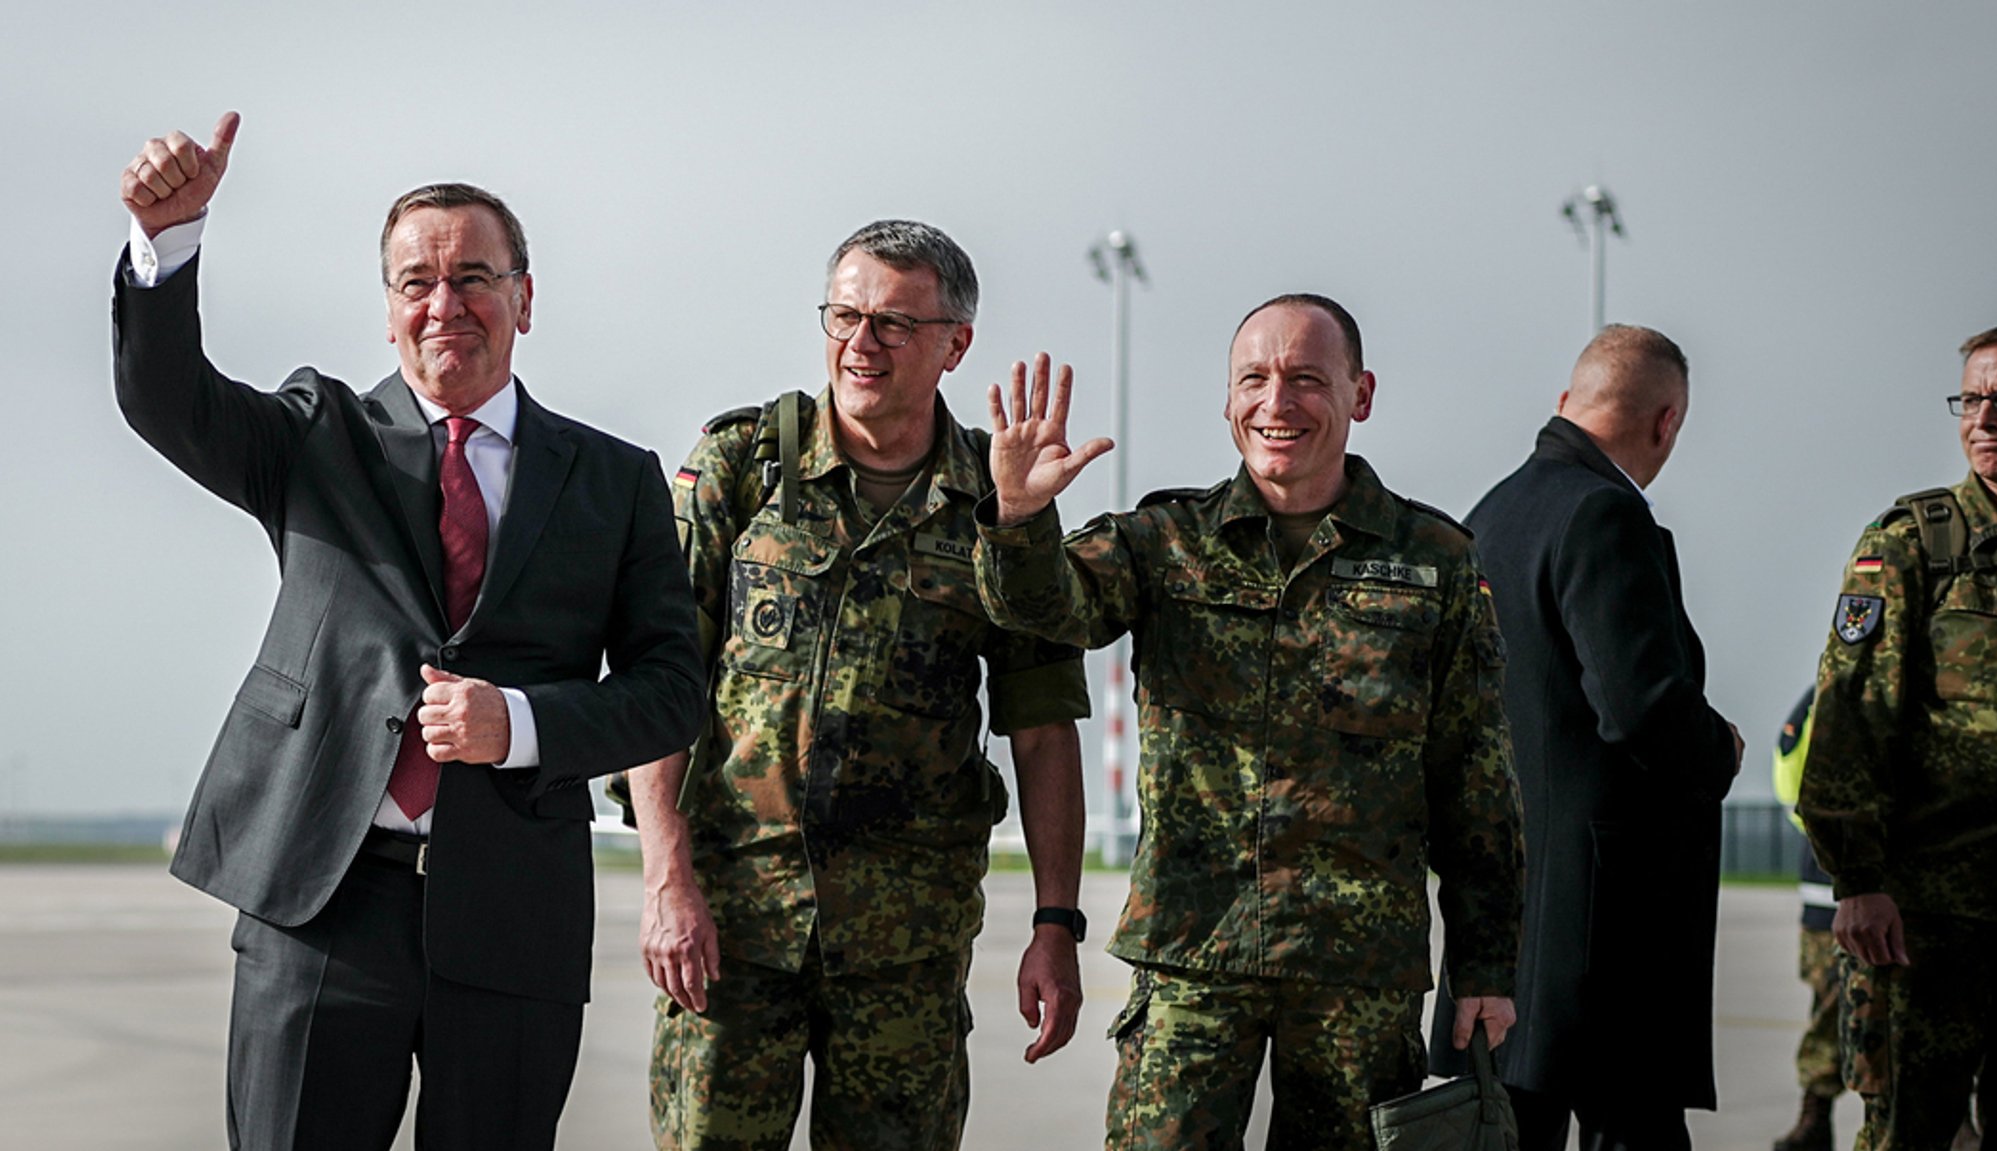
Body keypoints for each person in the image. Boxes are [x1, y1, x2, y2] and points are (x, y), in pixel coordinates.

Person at [112, 113, 706, 1149]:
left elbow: (670, 688)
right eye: (415, 284)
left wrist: (517, 722)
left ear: (525, 297)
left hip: (514, 910)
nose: (446, 305)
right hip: (324, 897)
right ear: (387, 313)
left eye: (474, 276)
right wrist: (168, 246)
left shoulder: (614, 479)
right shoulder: (313, 434)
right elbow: (169, 399)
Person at [974, 294, 1524, 1151]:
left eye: (1308, 379)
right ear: (1228, 400)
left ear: (1361, 393)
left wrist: (1487, 965)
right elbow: (1050, 611)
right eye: (1255, 379)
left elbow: (1475, 776)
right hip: (1194, 955)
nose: (1278, 403)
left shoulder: (1435, 562)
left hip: (1357, 971)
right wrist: (1018, 519)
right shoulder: (1164, 540)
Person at [625, 220, 1092, 1151]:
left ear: (956, 343)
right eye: (844, 316)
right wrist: (665, 878)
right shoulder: (743, 466)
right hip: (733, 929)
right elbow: (657, 681)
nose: (860, 345)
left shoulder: (1001, 502)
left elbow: (1041, 729)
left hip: (905, 950)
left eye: (893, 323)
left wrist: (1056, 922)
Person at [1428, 324, 1741, 1150]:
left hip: (1506, 916)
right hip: (1604, 931)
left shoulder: (1489, 514)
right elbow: (1640, 707)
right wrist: (1722, 750)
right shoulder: (1604, 513)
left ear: (1566, 402)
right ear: (1666, 421)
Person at [1800, 320, 1997, 1151]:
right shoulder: (1914, 543)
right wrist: (1857, 877)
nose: (1985, 419)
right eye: (1972, 399)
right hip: (1928, 918)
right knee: (1911, 1129)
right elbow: (1850, 714)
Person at [1769, 686, 1847, 1151]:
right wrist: (1832, 832)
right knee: (1828, 1009)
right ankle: (1815, 1115)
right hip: (1827, 884)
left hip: (1912, 879)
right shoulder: (1824, 693)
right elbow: (1788, 772)